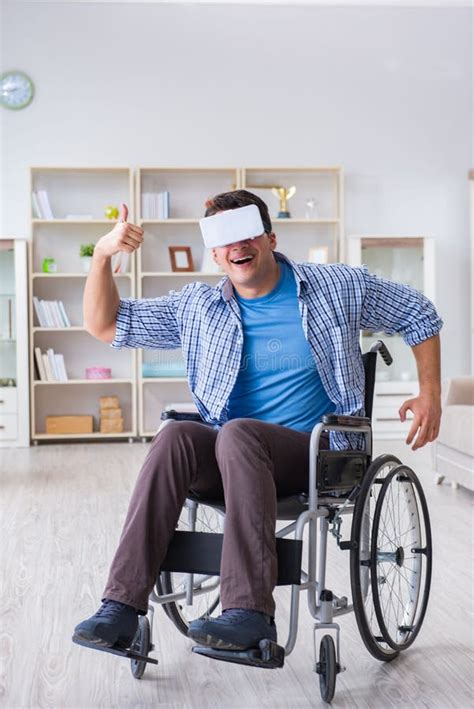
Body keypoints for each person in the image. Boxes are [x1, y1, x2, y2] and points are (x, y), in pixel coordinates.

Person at [73, 189, 443, 653]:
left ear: (270, 237)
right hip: (234, 457)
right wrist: (103, 256)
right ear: (214, 253)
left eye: (246, 234)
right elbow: (105, 325)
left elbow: (419, 313)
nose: (237, 247)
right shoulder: (198, 307)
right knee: (177, 437)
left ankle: (249, 614)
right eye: (224, 240)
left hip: (318, 456)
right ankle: (120, 608)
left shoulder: (339, 286)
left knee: (238, 433)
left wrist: (430, 394)